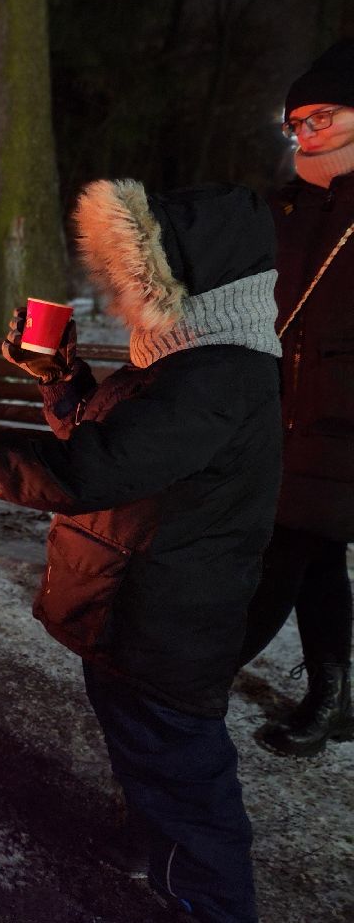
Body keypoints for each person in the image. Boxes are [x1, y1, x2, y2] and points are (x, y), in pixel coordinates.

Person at [0, 179, 281, 923]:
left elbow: (89, 471)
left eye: (132, 282)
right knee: (148, 757)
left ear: (190, 283)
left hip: (165, 624)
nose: (117, 301)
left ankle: (210, 904)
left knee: (186, 777)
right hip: (133, 611)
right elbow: (118, 446)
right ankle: (148, 841)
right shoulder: (184, 363)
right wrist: (61, 375)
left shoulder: (216, 379)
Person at [237, 38, 354, 758]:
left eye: (323, 117)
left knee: (283, 550)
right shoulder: (284, 205)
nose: (308, 132)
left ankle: (199, 674)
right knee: (316, 556)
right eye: (298, 123)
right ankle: (331, 694)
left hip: (342, 419)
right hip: (281, 409)